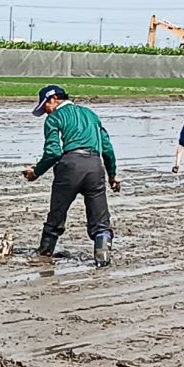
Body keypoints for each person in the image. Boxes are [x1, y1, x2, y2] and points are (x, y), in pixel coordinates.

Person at [23, 85, 120, 268]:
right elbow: (107, 148)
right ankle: (103, 257)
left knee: (57, 214)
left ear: (54, 100)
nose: (44, 111)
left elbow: (53, 152)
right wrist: (112, 175)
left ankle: (44, 252)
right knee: (100, 220)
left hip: (70, 167)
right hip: (95, 166)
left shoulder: (54, 118)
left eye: (45, 106)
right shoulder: (90, 115)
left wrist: (36, 172)